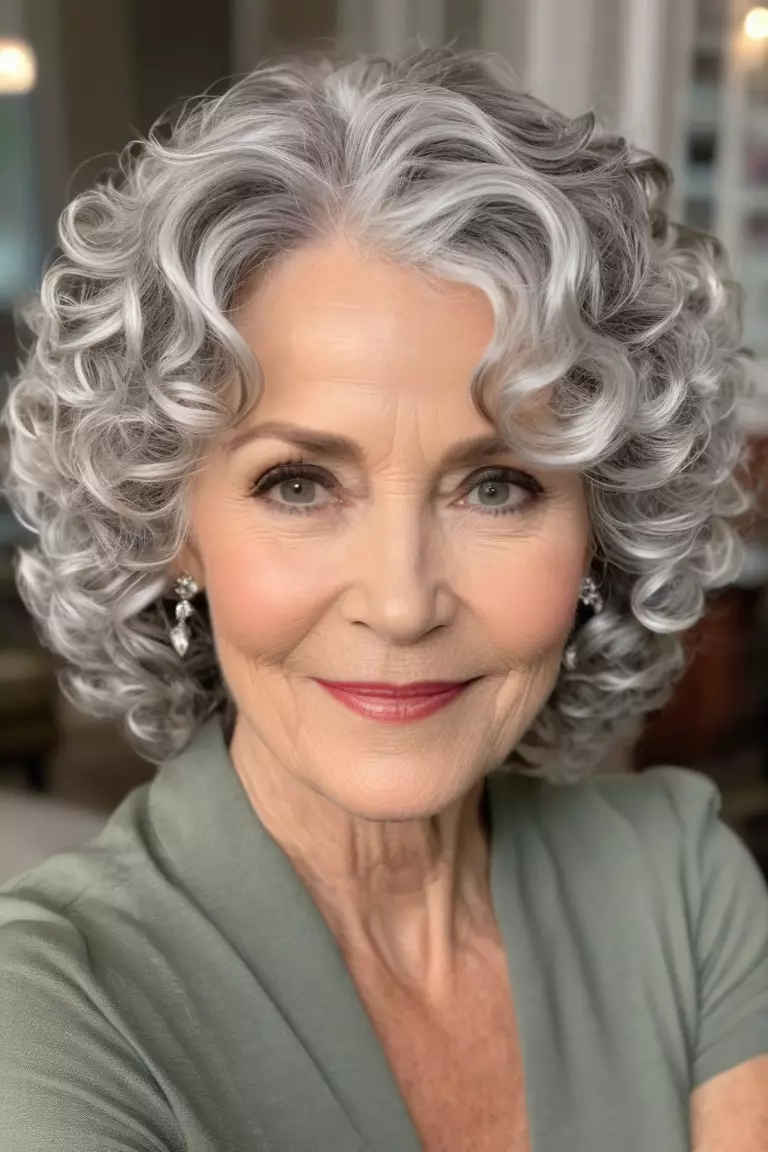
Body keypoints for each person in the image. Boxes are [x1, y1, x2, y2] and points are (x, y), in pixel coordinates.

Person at [0, 41, 766, 1152]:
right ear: (167, 528)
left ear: (603, 532)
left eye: (499, 484)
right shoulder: (56, 1015)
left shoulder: (682, 883)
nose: (402, 604)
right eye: (298, 483)